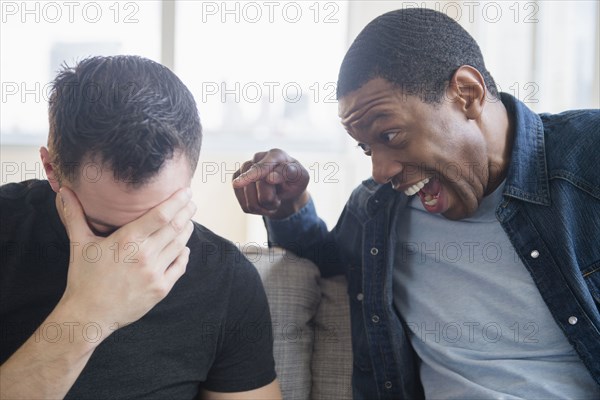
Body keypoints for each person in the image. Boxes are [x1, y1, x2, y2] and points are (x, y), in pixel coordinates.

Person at [232, 8, 600, 399]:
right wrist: (288, 204)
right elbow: (325, 261)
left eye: (390, 135)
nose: (380, 170)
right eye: (366, 147)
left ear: (467, 94)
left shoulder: (588, 157)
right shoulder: (378, 211)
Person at [0, 55, 281, 399]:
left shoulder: (228, 280)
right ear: (51, 169)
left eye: (160, 223)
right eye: (105, 228)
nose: (133, 254)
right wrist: (89, 312)